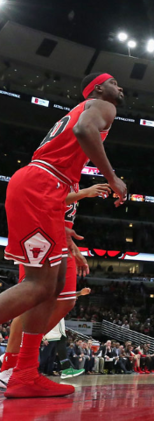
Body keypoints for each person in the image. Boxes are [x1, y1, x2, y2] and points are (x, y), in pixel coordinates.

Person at [0, 73, 126, 398]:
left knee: (53, 287)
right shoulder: (102, 107)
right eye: (114, 82)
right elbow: (84, 130)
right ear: (99, 88)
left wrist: (66, 237)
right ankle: (18, 368)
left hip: (46, 191)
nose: (120, 87)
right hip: (41, 186)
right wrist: (113, 178)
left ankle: (25, 372)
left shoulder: (85, 110)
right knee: (38, 285)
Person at [0, 183, 110, 388]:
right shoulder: (54, 171)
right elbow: (46, 202)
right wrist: (84, 193)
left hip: (59, 236)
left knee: (66, 301)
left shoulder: (72, 177)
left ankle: (20, 361)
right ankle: (10, 364)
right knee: (31, 299)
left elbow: (60, 216)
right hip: (40, 233)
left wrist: (73, 247)